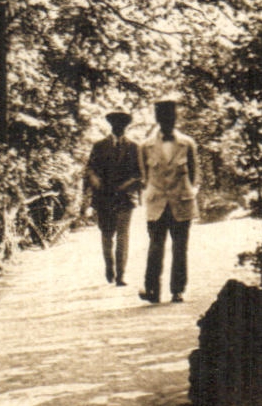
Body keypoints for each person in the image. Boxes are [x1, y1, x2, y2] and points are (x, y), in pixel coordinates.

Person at [138, 96, 200, 303]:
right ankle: (152, 290)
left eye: (171, 117)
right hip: (157, 204)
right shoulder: (145, 146)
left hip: (181, 202)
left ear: (176, 118)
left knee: (180, 247)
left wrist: (188, 192)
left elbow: (194, 174)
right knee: (156, 247)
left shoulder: (187, 143)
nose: (168, 122)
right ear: (157, 118)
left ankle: (177, 289)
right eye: (163, 117)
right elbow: (144, 176)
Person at [84, 110, 142, 285]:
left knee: (123, 235)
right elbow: (90, 168)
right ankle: (109, 267)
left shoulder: (134, 147)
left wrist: (129, 184)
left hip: (125, 197)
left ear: (126, 127)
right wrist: (95, 180)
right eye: (117, 125)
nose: (119, 128)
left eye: (123, 125)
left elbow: (140, 173)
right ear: (111, 125)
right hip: (104, 197)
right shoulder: (99, 146)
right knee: (107, 234)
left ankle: (121, 274)